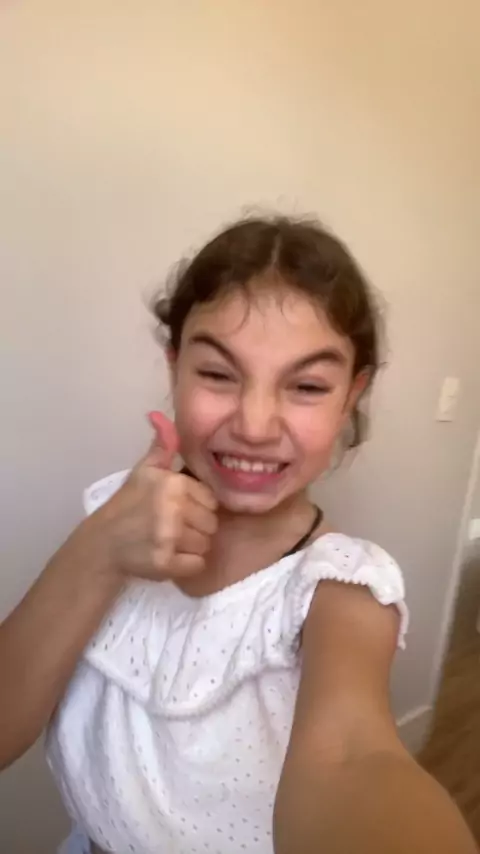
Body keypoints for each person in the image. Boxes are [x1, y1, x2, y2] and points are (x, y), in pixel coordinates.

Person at [0, 216, 476, 854]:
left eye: (307, 386)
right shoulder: (116, 518)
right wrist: (100, 549)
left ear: (350, 396)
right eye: (219, 375)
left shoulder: (340, 592)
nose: (254, 425)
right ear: (175, 368)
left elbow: (354, 756)